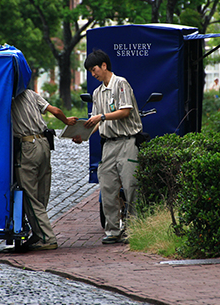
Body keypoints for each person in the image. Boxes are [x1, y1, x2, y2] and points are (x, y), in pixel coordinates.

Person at [73, 49, 142, 244]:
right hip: (108, 145)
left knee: (131, 186)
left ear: (104, 66)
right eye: (89, 71)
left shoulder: (121, 83)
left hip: (128, 141)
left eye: (94, 69)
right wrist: (83, 136)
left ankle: (134, 229)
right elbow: (95, 122)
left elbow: (125, 111)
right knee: (107, 187)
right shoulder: (97, 93)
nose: (92, 74)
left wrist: (102, 116)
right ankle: (113, 230)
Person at [11, 89, 77, 251]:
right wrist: (67, 121)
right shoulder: (30, 93)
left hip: (27, 147)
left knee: (29, 195)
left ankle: (47, 238)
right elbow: (56, 110)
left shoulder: (7, 96)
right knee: (41, 193)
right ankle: (38, 233)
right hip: (44, 144)